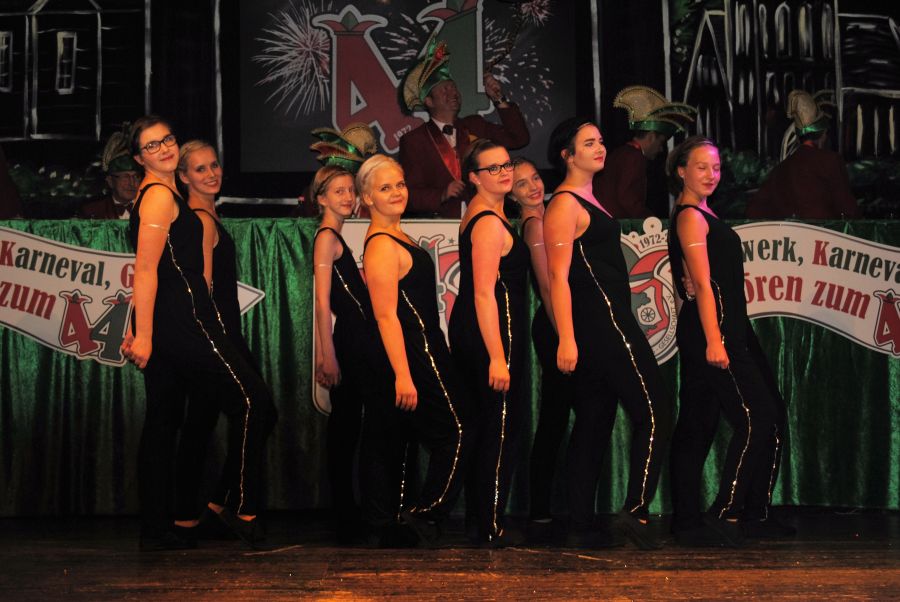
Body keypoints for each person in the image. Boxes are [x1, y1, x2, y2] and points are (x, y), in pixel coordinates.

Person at [121, 116, 274, 551]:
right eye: (152, 145)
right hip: (184, 321)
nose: (165, 148)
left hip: (173, 320)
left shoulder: (164, 194)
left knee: (164, 420)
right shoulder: (156, 196)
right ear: (139, 158)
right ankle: (236, 509)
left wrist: (141, 326)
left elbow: (156, 269)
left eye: (167, 139)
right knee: (254, 401)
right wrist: (143, 334)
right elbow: (145, 269)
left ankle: (159, 526)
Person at [543, 117, 671, 550]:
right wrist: (566, 337)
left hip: (606, 320)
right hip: (603, 323)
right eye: (588, 143)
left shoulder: (587, 197)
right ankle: (636, 511)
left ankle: (580, 522)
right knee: (654, 409)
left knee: (595, 420)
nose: (599, 148)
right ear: (567, 155)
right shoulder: (563, 204)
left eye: (600, 140)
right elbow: (558, 277)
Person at [667, 136, 792, 546]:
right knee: (755, 418)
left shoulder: (705, 213)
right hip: (716, 330)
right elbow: (702, 285)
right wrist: (714, 340)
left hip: (732, 327)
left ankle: (751, 512)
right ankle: (727, 511)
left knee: (736, 418)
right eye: (701, 166)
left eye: (716, 167)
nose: (711, 174)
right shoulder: (689, 216)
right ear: (681, 171)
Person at [168, 140, 278, 548]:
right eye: (200, 169)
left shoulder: (207, 216)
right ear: (183, 177)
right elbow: (204, 290)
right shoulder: (200, 220)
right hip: (213, 336)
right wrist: (216, 343)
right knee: (256, 407)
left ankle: (194, 516)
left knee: (200, 423)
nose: (211, 173)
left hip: (219, 335)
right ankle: (242, 511)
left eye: (214, 165)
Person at [360, 154, 473, 546]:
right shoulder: (380, 245)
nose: (396, 193)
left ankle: (408, 518)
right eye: (385, 187)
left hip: (427, 345)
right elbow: (386, 316)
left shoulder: (398, 235)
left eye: (400, 184)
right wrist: (404, 375)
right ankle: (426, 514)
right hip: (414, 351)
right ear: (367, 198)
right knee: (459, 430)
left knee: (418, 437)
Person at [448, 140, 529, 547]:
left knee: (489, 427)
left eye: (506, 164)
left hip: (486, 330)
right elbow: (483, 294)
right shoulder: (486, 222)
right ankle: (490, 524)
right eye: (492, 168)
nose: (504, 172)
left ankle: (482, 520)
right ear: (474, 178)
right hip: (492, 334)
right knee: (499, 429)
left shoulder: (489, 214)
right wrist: (497, 356)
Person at [506, 157, 574, 543]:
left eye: (534, 178)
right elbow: (548, 286)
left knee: (560, 417)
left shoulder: (552, 214)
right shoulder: (534, 225)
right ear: (512, 196)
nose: (533, 187)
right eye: (522, 184)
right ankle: (541, 509)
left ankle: (549, 507)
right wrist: (565, 334)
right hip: (554, 328)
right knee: (553, 419)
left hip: (561, 327)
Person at [397, 35, 530, 218]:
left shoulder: (475, 125)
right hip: (440, 223)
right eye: (444, 90)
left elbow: (519, 138)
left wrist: (499, 99)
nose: (452, 93)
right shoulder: (414, 141)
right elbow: (408, 194)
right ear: (429, 101)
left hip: (486, 215)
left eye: (453, 88)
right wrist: (442, 194)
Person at [747, 90, 860, 219]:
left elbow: (753, 210)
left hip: (789, 232)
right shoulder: (831, 161)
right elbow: (850, 211)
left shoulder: (781, 169)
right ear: (823, 134)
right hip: (824, 232)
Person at [593, 86, 696, 219]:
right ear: (651, 137)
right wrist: (651, 220)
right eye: (661, 142)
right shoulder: (634, 157)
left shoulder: (621, 152)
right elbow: (627, 198)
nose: (661, 149)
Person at [81, 124, 142, 219]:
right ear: (110, 181)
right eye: (125, 177)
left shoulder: (153, 208)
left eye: (136, 176)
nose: (132, 183)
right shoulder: (92, 211)